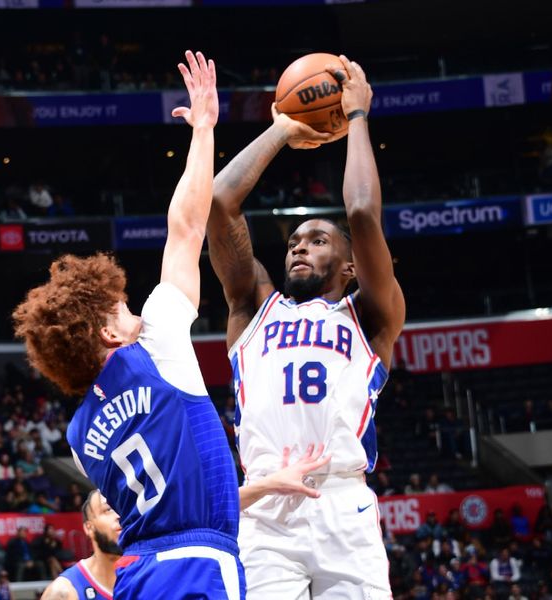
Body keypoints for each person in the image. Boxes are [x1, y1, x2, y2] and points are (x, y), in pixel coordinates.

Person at [14, 51, 248, 600]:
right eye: (120, 307)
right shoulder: (158, 344)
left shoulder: (77, 438)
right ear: (107, 334)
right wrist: (205, 130)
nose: (135, 310)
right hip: (198, 562)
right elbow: (187, 228)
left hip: (137, 575)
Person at [206, 55, 405, 599]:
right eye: (294, 241)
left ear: (349, 266)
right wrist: (281, 129)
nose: (299, 246)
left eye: (317, 240)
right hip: (266, 508)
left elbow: (362, 214)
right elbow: (220, 202)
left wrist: (357, 115)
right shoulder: (253, 307)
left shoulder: (370, 314)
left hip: (342, 501)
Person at [39, 491, 121, 600]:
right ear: (89, 528)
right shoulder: (64, 592)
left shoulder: (148, 576)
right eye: (108, 509)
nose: (119, 516)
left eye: (123, 508)